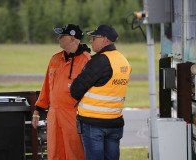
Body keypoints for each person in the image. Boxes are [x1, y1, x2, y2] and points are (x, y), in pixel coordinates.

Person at [70, 24, 131, 160]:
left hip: (94, 124)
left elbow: (75, 90)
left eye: (94, 37)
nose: (91, 41)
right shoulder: (123, 61)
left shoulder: (99, 61)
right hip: (115, 123)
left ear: (104, 39)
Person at [31, 24, 91, 160]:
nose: (58, 39)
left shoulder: (87, 60)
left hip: (74, 117)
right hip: (54, 116)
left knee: (75, 153)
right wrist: (37, 111)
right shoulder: (55, 59)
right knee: (54, 154)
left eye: (61, 36)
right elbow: (46, 87)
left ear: (72, 38)